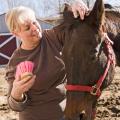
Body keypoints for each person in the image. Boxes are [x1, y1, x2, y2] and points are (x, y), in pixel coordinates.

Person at [5, 1, 88, 120]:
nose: (35, 28)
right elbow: (14, 106)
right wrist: (17, 92)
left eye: (34, 22)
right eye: (27, 27)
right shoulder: (16, 62)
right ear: (16, 33)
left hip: (70, 113)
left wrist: (75, 5)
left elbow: (75, 26)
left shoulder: (53, 37)